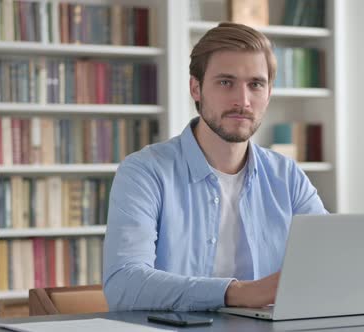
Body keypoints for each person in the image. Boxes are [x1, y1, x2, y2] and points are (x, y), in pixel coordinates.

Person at [103, 22, 327, 312]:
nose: (242, 101)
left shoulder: (288, 176)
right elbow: (124, 285)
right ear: (196, 88)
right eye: (225, 82)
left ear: (269, 93)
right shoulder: (144, 172)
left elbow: (326, 264)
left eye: (256, 84)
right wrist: (239, 293)